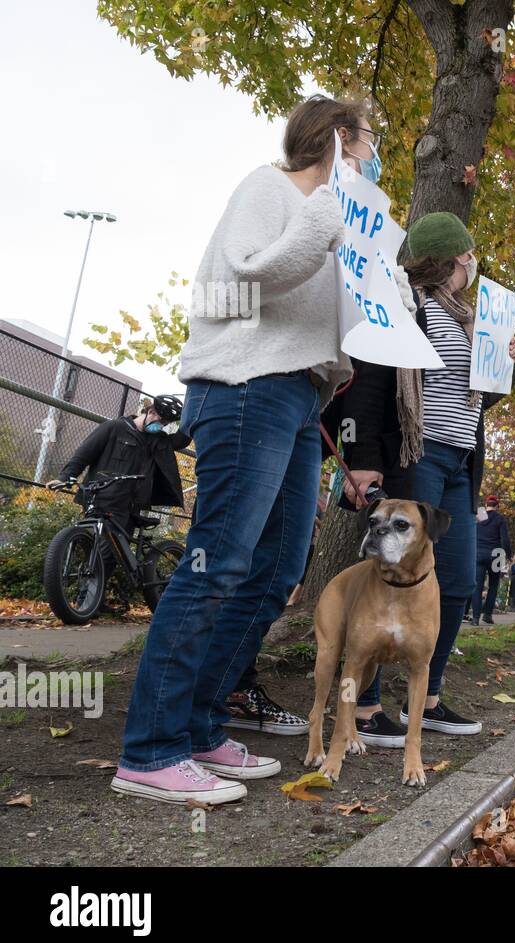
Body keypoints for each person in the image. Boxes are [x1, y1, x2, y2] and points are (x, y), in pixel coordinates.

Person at [110, 94, 368, 805]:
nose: (372, 152)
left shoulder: (335, 222)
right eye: (367, 139)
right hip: (246, 386)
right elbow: (245, 277)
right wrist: (322, 225)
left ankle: (197, 726)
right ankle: (149, 750)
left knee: (277, 566)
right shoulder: (272, 188)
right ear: (338, 139)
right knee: (218, 558)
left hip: (296, 398)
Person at [331, 210, 515, 745]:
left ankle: (429, 697)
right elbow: (373, 382)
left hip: (458, 464)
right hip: (415, 454)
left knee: (460, 582)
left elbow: (476, 395)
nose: (473, 265)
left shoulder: (474, 320)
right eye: (469, 256)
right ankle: (367, 705)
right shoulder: (406, 307)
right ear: (451, 258)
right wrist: (365, 457)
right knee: (390, 575)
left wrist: (509, 364)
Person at [49, 394, 190, 588]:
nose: (162, 425)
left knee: (111, 554)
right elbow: (84, 453)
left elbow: (181, 441)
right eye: (160, 420)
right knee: (97, 549)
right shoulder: (115, 428)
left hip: (131, 504)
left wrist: (195, 409)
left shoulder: (157, 439)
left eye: (166, 423)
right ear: (150, 411)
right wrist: (65, 478)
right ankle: (88, 600)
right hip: (101, 497)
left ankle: (91, 600)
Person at [471, 494, 510, 625]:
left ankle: (475, 618)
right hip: (496, 554)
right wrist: (509, 556)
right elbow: (505, 539)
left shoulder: (480, 514)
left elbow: (471, 530)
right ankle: (487, 615)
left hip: (479, 553)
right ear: (497, 505)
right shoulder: (500, 518)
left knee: (477, 585)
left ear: (486, 504)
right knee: (493, 585)